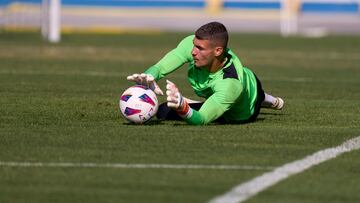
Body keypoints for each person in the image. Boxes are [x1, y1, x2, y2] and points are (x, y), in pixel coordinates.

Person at [127, 21, 284, 125]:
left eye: (199, 48)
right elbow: (162, 66)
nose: (193, 51)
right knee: (163, 111)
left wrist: (183, 107)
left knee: (165, 111)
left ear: (217, 51)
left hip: (241, 111)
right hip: (223, 89)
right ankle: (266, 99)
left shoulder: (230, 85)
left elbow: (201, 119)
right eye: (194, 45)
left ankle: (267, 99)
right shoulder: (195, 45)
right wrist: (150, 75)